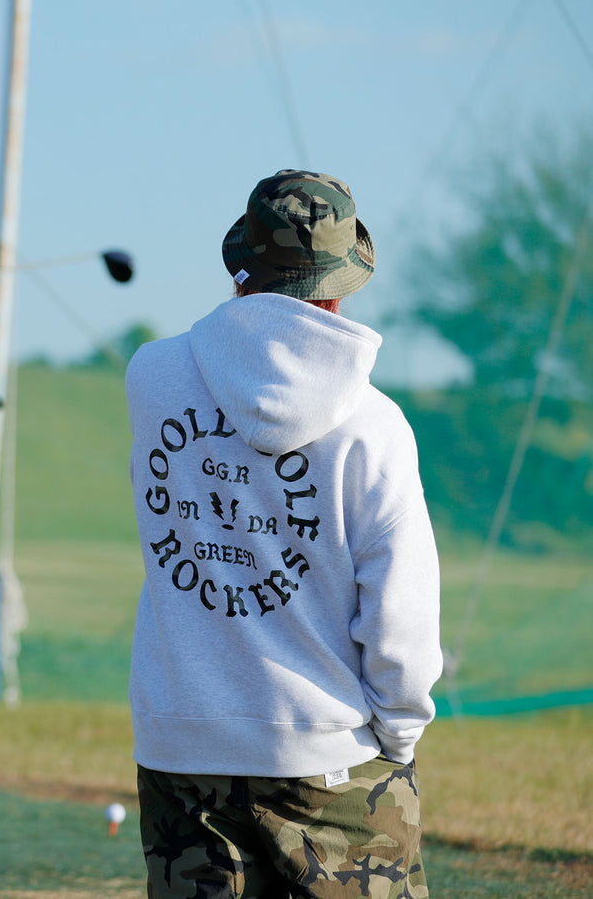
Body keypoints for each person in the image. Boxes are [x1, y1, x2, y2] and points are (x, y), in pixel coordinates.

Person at [124, 169, 442, 898]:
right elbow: (400, 610)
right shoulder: (373, 424)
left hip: (179, 749)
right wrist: (396, 734)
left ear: (241, 268)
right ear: (339, 290)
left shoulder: (150, 376)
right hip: (327, 758)